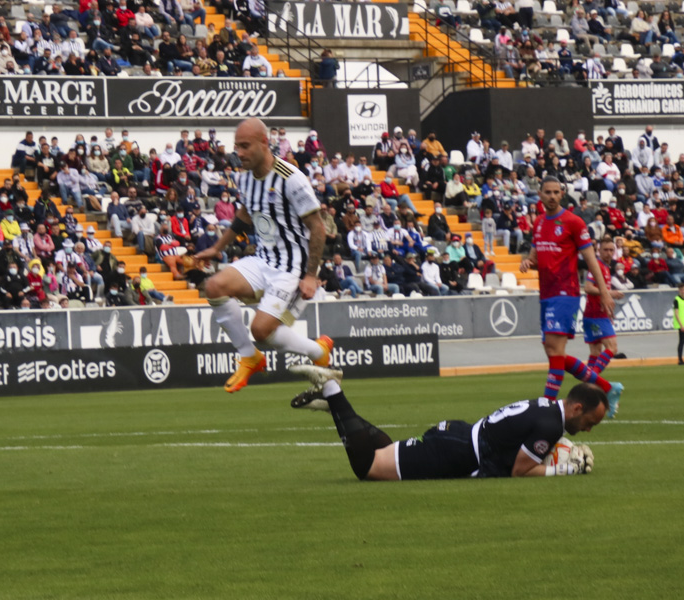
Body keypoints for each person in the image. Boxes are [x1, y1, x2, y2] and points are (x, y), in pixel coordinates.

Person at [195, 118, 334, 394]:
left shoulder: (291, 178)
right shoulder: (245, 178)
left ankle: (317, 351)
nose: (240, 153)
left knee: (262, 331)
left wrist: (310, 275)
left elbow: (317, 227)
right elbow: (245, 214)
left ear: (263, 143)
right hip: (264, 259)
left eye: (245, 146)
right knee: (214, 286)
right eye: (237, 147)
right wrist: (217, 248)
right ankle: (250, 357)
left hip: (293, 268)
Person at [288, 365, 604, 480]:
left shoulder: (549, 406)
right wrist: (564, 470)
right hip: (459, 451)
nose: (590, 428)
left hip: (461, 436)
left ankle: (338, 410)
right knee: (368, 469)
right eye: (591, 421)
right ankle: (332, 388)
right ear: (577, 407)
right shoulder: (551, 425)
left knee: (386, 449)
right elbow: (521, 470)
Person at [519, 177, 624, 417]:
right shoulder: (538, 224)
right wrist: (528, 261)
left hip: (565, 293)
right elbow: (536, 257)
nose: (553, 196)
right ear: (540, 194)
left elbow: (590, 260)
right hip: (546, 294)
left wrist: (605, 293)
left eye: (557, 192)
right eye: (548, 192)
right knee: (553, 351)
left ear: (563, 193)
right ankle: (607, 387)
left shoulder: (574, 222)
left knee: (555, 350)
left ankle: (546, 407)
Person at [583, 238, 623, 375]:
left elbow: (602, 295)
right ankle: (591, 379)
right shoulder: (597, 266)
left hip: (593, 314)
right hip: (596, 315)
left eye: (612, 250)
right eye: (605, 250)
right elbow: (587, 288)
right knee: (612, 348)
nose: (609, 253)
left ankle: (588, 384)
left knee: (595, 352)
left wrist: (609, 307)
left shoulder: (606, 268)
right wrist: (609, 292)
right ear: (599, 251)